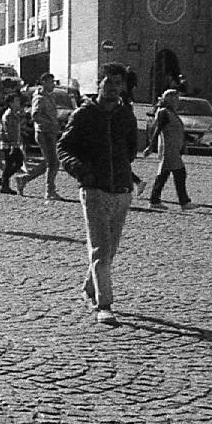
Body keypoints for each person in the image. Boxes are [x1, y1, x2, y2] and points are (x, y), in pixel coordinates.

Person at [58, 63, 138, 326]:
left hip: (121, 190)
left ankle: (90, 288)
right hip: (94, 191)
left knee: (110, 249)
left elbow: (131, 150)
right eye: (109, 82)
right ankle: (104, 304)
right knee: (101, 248)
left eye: (118, 83)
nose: (114, 88)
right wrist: (84, 172)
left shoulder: (126, 115)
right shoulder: (84, 115)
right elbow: (64, 149)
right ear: (99, 83)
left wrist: (124, 172)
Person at [15, 73, 65, 200]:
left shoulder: (49, 96)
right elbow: (35, 116)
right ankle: (49, 191)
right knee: (53, 163)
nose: (53, 84)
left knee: (51, 162)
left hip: (50, 132)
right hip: (44, 133)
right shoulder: (39, 97)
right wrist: (50, 123)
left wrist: (55, 123)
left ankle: (24, 179)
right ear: (43, 82)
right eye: (51, 82)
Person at [143, 88, 195, 209]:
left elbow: (178, 130)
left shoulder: (171, 113)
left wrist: (190, 139)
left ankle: (154, 200)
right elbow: (158, 130)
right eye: (175, 98)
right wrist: (150, 147)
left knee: (164, 175)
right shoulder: (163, 112)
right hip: (168, 149)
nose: (177, 101)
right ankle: (184, 202)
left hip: (173, 149)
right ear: (169, 99)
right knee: (180, 174)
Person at [0, 90, 25, 195]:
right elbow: (8, 132)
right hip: (9, 145)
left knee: (17, 163)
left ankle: (3, 180)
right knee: (12, 163)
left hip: (14, 144)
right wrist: (12, 145)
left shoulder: (14, 114)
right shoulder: (8, 115)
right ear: (11, 103)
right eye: (16, 101)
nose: (19, 103)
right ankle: (4, 185)